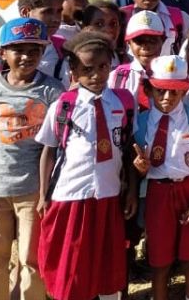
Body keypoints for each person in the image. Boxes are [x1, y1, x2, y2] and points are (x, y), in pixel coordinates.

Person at [35, 31, 136, 300]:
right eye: (87, 69)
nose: (96, 75)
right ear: (74, 72)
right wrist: (44, 194)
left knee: (107, 264)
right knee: (72, 264)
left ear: (111, 64)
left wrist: (130, 191)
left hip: (108, 194)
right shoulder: (64, 105)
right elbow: (48, 151)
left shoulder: (123, 102)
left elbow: (126, 150)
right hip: (71, 195)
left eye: (103, 67)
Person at [0, 17, 64, 300]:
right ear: (2, 52)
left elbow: (56, 142)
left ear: (43, 53)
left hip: (31, 189)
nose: (27, 56)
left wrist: (45, 190)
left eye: (34, 50)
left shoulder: (52, 91)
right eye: (18, 49)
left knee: (32, 259)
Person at [133, 55, 189, 300]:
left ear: (184, 92)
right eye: (161, 91)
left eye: (175, 92)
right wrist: (140, 168)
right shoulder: (141, 123)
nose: (167, 98)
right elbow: (138, 168)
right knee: (160, 262)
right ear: (149, 89)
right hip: (158, 193)